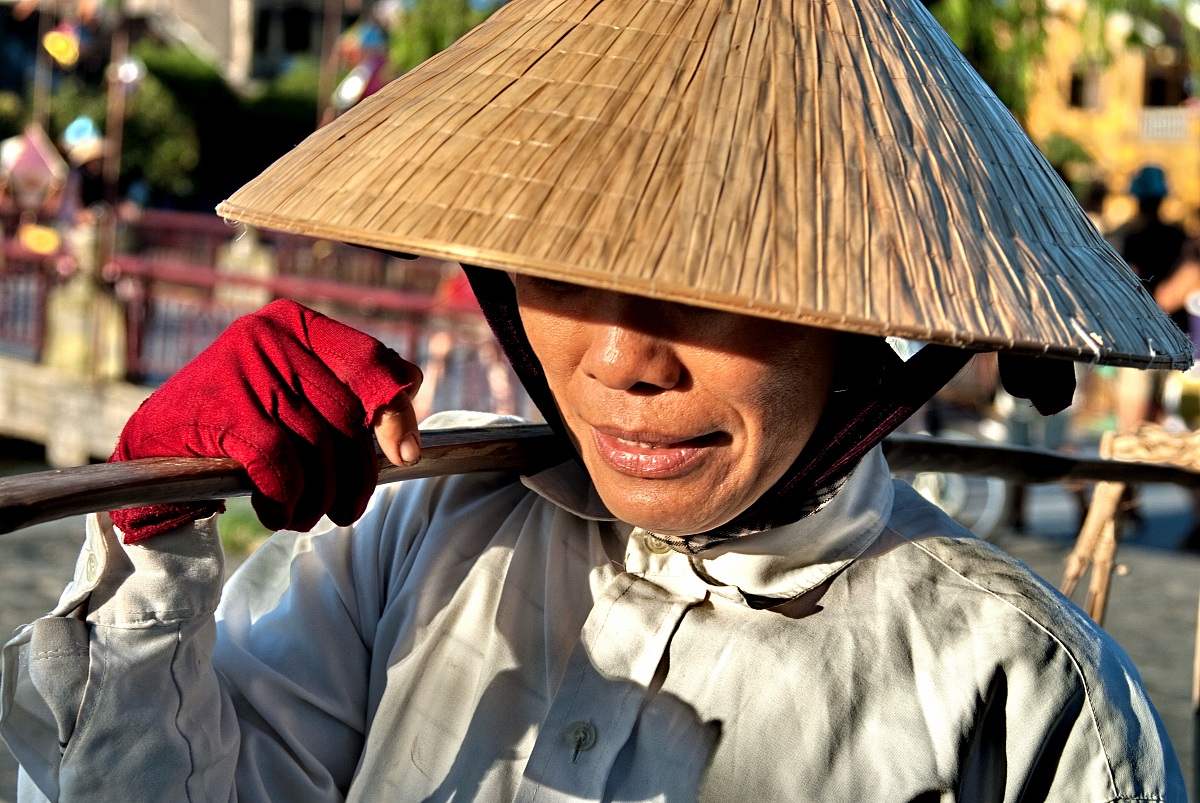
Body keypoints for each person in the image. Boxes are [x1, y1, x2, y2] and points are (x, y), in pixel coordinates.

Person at [1, 0, 1190, 800]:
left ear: (866, 334)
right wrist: (158, 538)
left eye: (721, 283)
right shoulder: (418, 522)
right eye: (566, 267)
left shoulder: (1021, 683)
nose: (622, 358)